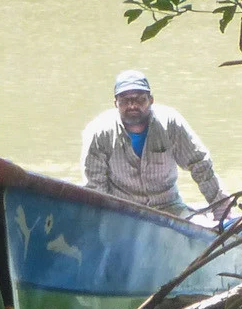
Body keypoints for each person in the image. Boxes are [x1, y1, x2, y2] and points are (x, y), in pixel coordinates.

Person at [82, 69, 234, 221]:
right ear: (115, 103)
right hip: (122, 212)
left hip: (169, 207)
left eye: (140, 99)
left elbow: (200, 166)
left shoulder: (170, 123)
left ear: (151, 100)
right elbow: (95, 186)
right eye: (125, 100)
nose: (132, 105)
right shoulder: (99, 132)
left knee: (201, 224)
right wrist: (97, 222)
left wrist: (222, 210)